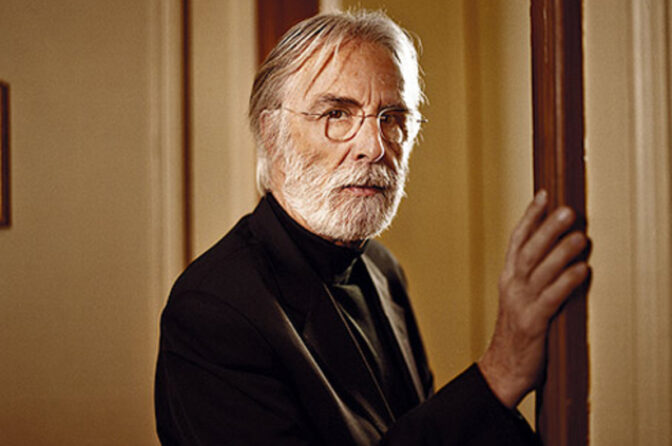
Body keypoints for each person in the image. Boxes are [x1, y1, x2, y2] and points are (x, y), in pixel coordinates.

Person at [154, 10, 589, 446]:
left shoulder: (382, 269)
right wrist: (501, 372)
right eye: (337, 114)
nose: (374, 146)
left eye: (392, 117)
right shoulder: (213, 309)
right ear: (272, 134)